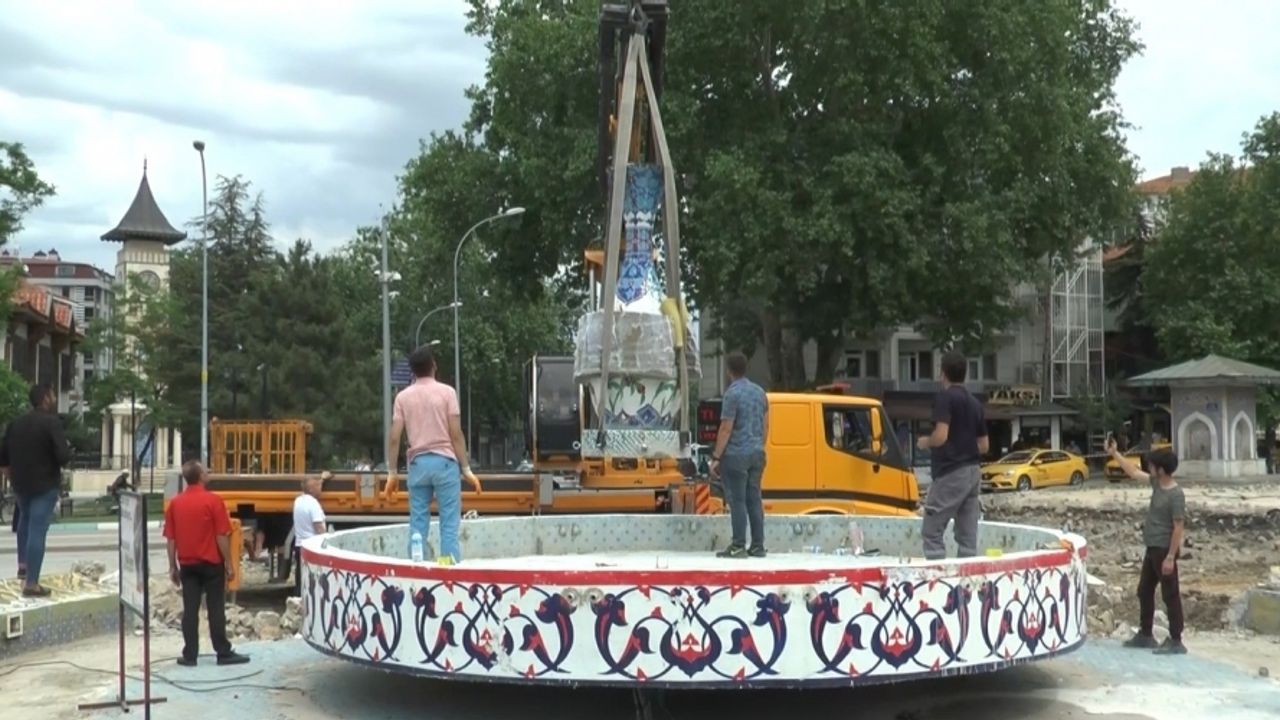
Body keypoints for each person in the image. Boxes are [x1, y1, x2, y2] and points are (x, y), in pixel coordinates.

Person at [387, 345, 482, 564]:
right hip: (445, 464)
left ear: (412, 371)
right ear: (434, 366)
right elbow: (456, 434)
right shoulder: (447, 393)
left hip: (418, 465)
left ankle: (417, 567)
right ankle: (447, 567)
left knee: (418, 523)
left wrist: (392, 473)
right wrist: (466, 469)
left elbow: (394, 437)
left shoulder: (402, 398)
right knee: (449, 523)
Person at [163, 460, 249, 666]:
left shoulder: (175, 503)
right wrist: (229, 563)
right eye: (206, 471)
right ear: (201, 476)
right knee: (215, 608)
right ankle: (222, 652)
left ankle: (190, 654)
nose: (208, 473)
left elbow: (171, 539)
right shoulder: (213, 501)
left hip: (187, 565)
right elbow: (221, 536)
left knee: (190, 610)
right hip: (211, 564)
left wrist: (172, 566)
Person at [1107, 436, 1187, 655]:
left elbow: (1178, 527)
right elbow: (1133, 472)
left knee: (1170, 594)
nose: (1149, 468)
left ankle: (1176, 639)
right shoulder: (1157, 484)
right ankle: (1145, 634)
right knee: (1144, 590)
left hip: (1164, 550)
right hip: (1152, 548)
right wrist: (1115, 453)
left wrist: (1170, 556)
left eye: (1152, 465)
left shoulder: (1176, 495)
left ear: (1161, 470)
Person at [0, 384, 71, 596]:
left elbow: (3, 458)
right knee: (37, 530)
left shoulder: (15, 424)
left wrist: (12, 478)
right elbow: (63, 457)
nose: (54, 399)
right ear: (46, 399)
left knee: (25, 521)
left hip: (21, 485)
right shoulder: (52, 423)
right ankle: (31, 583)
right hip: (45, 485)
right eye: (53, 395)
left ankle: (23, 566)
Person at [917, 352, 989, 560]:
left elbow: (940, 436)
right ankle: (967, 575)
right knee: (967, 535)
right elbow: (984, 446)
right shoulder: (975, 404)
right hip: (973, 472)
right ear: (965, 375)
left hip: (950, 471)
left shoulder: (945, 398)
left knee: (931, 530)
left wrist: (925, 442)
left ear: (943, 374)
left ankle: (938, 574)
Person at [708, 352, 769, 559]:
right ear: (746, 368)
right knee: (754, 499)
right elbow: (766, 425)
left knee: (738, 501)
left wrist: (716, 457)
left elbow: (726, 427)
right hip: (757, 454)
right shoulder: (760, 393)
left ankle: (738, 545)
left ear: (729, 371)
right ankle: (758, 545)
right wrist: (758, 446)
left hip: (736, 455)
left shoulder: (732, 394)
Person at [291, 471, 329, 596]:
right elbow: (319, 527)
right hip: (312, 546)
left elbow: (310, 489)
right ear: (312, 490)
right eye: (317, 486)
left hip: (300, 545)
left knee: (300, 577)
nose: (320, 488)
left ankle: (298, 598)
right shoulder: (313, 504)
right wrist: (327, 543)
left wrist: (322, 479)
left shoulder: (298, 501)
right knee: (312, 579)